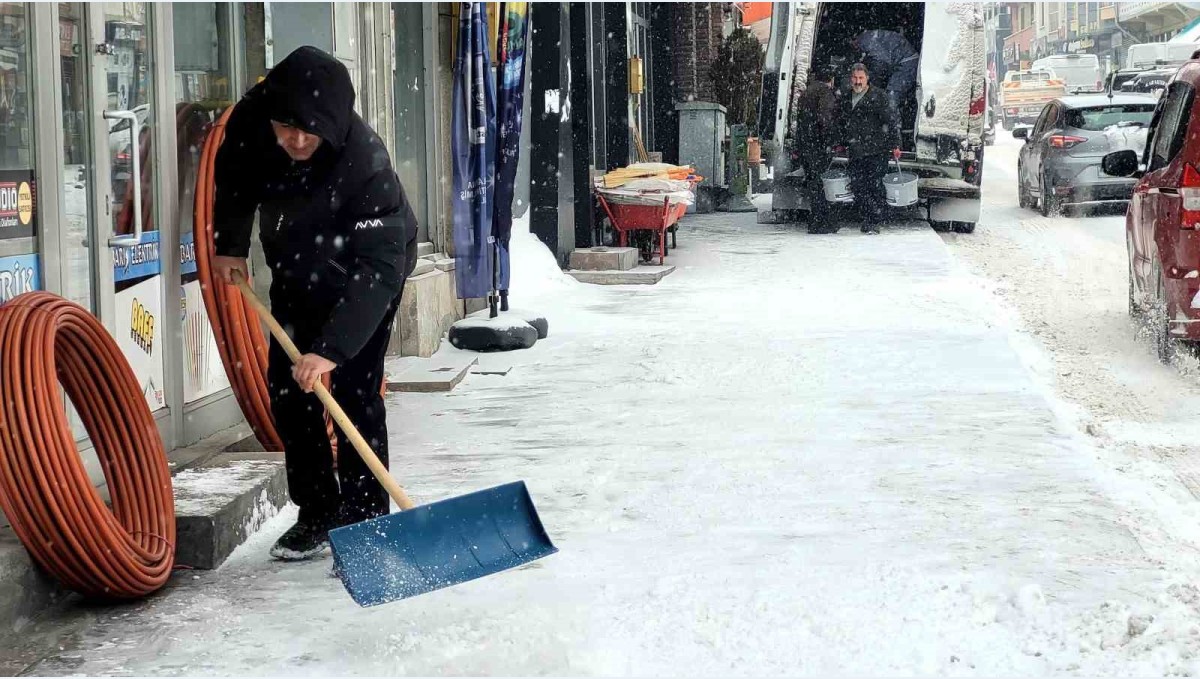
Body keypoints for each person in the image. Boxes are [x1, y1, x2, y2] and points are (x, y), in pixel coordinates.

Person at [210, 46, 419, 560]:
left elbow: (381, 267)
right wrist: (230, 245)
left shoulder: (365, 164)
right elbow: (234, 178)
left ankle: (368, 524)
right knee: (289, 390)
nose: (296, 140)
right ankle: (319, 513)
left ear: (332, 123)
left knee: (354, 392)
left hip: (362, 278)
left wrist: (332, 348)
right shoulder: (253, 123)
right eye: (286, 128)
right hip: (296, 266)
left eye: (308, 131)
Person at [841, 63, 901, 235]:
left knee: (874, 185)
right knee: (858, 186)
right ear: (850, 79)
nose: (858, 81)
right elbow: (842, 121)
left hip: (876, 149)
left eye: (861, 78)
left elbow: (891, 120)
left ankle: (873, 220)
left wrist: (895, 144)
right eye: (855, 78)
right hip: (855, 149)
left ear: (867, 79)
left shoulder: (879, 96)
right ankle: (873, 215)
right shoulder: (846, 97)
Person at [793, 65, 840, 233]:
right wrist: (831, 140)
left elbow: (800, 122)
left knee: (814, 184)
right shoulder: (825, 93)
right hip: (818, 146)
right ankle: (821, 222)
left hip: (806, 145)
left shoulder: (806, 93)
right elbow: (825, 119)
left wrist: (799, 147)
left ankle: (816, 222)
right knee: (822, 185)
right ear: (831, 79)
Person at [852, 29, 919, 113]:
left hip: (907, 63)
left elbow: (882, 61)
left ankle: (893, 122)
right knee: (892, 95)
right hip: (907, 60)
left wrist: (871, 77)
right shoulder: (871, 36)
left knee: (892, 95)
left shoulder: (866, 40)